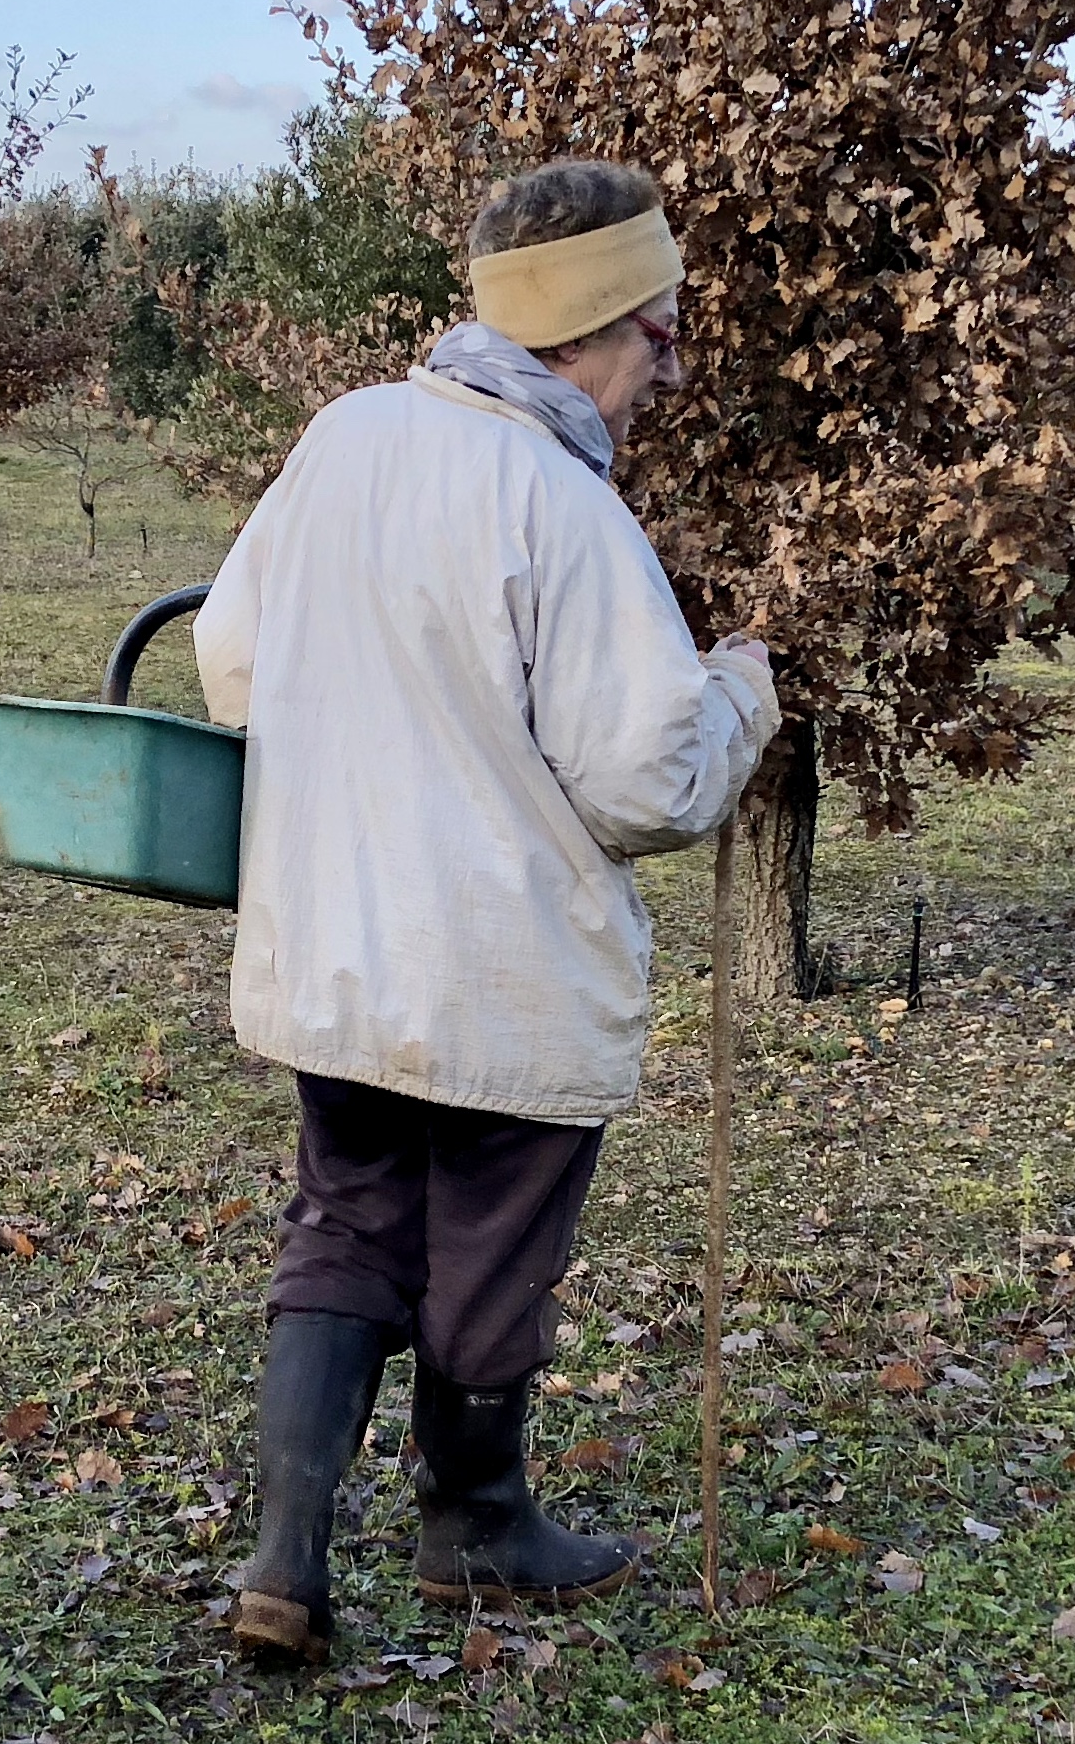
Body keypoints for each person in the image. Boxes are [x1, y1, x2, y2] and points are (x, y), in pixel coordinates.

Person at [193, 159, 777, 1664]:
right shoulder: (563, 509)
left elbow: (233, 663)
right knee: (490, 1249)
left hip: (336, 944)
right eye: (659, 329)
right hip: (503, 969)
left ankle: (285, 1561)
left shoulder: (345, 438)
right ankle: (475, 1522)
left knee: (346, 1220)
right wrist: (740, 692)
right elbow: (649, 781)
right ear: (585, 329)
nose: (673, 360)